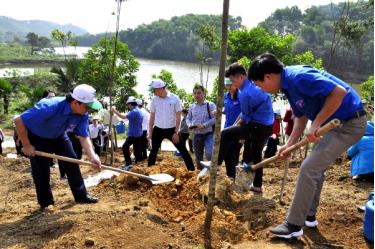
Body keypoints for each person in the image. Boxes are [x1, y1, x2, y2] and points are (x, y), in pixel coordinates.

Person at [248, 53, 367, 238]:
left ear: (268, 77)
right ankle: (309, 215)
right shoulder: (287, 85)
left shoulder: (298, 77)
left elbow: (339, 92)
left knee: (309, 168)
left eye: (259, 84)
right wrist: (288, 145)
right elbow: (301, 117)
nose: (261, 89)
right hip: (335, 123)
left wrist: (317, 123)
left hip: (349, 124)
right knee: (315, 167)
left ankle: (294, 225)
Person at [14, 84, 103, 210]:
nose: (89, 110)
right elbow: (19, 120)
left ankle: (81, 195)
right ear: (76, 102)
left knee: (72, 163)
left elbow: (84, 136)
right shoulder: (50, 106)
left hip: (59, 136)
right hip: (38, 138)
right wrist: (27, 145)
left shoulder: (82, 115)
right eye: (87, 106)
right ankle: (46, 203)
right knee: (41, 171)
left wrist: (93, 156)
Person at [207, 63, 273, 192]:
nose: (232, 84)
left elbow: (245, 118)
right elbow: (246, 114)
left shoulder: (245, 94)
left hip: (257, 126)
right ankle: (258, 186)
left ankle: (216, 164)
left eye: (232, 80)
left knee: (225, 134)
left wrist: (236, 130)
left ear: (241, 77)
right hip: (267, 127)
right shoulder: (256, 85)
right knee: (256, 154)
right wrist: (236, 128)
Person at [148, 79, 195, 171]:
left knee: (183, 150)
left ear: (160, 89)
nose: (153, 92)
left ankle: (192, 171)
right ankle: (149, 171)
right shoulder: (154, 100)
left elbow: (178, 117)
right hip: (158, 129)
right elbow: (152, 117)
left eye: (154, 90)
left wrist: (176, 132)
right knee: (153, 151)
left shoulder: (175, 98)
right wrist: (150, 132)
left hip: (172, 130)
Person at [186, 85, 216, 170]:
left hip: (208, 134)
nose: (196, 95)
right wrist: (189, 125)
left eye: (199, 93)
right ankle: (200, 173)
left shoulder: (210, 105)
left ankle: (212, 171)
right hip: (196, 134)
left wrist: (205, 125)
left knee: (210, 153)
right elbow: (188, 118)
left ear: (204, 93)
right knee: (198, 157)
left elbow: (216, 118)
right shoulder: (192, 106)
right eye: (195, 93)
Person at [111, 96, 143, 170]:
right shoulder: (138, 110)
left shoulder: (134, 112)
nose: (127, 106)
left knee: (125, 147)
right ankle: (138, 163)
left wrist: (114, 110)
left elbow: (123, 117)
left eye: (128, 105)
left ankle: (128, 163)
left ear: (130, 104)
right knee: (137, 148)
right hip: (138, 133)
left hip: (133, 134)